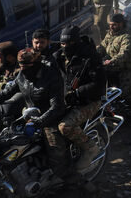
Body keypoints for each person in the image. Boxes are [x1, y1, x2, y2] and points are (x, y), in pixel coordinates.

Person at [0, 49, 67, 172]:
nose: (23, 71)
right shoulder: (22, 76)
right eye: (21, 67)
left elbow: (57, 106)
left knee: (56, 153)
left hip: (51, 119)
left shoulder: (50, 76)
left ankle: (74, 181)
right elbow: (4, 94)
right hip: (30, 116)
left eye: (26, 67)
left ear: (35, 64)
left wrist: (38, 122)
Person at [52, 25, 106, 172]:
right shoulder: (58, 57)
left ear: (77, 42)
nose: (65, 47)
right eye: (63, 44)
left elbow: (99, 84)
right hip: (65, 99)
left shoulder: (90, 57)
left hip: (89, 101)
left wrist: (77, 93)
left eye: (69, 44)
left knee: (65, 126)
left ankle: (90, 148)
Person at [98, 13, 131, 112]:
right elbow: (102, 47)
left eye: (114, 25)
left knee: (125, 93)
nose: (111, 27)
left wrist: (111, 61)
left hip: (124, 69)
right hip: (110, 68)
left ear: (121, 24)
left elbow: (124, 53)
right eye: (110, 24)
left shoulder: (127, 37)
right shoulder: (110, 34)